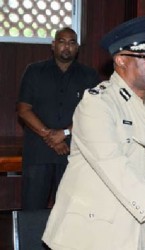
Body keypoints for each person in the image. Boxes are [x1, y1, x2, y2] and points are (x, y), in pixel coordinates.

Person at [42, 16, 145, 250]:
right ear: (120, 60)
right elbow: (112, 164)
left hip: (133, 229)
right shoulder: (97, 104)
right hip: (88, 232)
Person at [17, 27, 100, 210]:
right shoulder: (34, 71)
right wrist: (51, 137)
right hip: (38, 154)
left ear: (77, 47)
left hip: (74, 153)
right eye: (62, 42)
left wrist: (64, 133)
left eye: (71, 43)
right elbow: (23, 110)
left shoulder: (90, 76)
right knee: (32, 209)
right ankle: (32, 241)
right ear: (53, 45)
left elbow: (95, 114)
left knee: (71, 211)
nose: (66, 47)